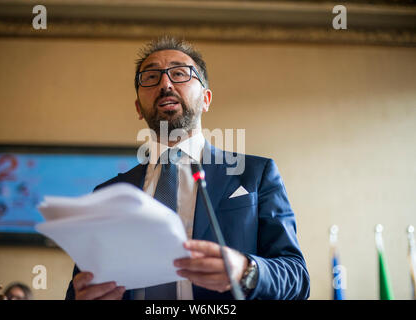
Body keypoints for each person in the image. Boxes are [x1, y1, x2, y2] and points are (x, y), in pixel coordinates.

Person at [65, 36, 310, 300]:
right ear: (139, 107)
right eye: (151, 77)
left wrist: (246, 271)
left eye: (180, 73)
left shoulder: (255, 175)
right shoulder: (107, 194)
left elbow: (297, 279)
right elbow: (79, 289)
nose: (165, 84)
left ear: (206, 99)